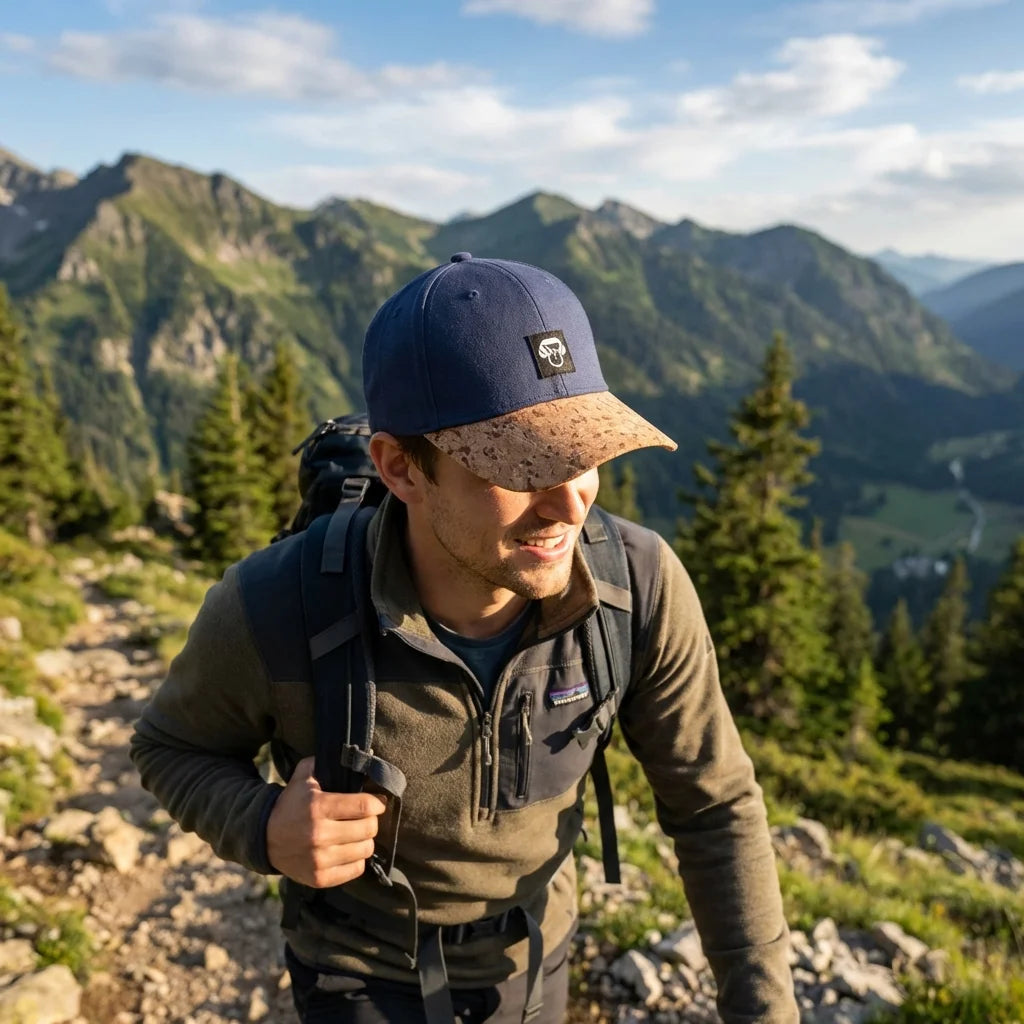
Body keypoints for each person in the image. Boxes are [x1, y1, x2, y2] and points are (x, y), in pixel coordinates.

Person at [131, 252, 798, 1024]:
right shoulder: (277, 603)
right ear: (400, 468)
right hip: (356, 968)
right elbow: (168, 746)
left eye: (586, 451)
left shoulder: (638, 585)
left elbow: (715, 807)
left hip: (535, 956)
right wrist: (261, 825)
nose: (569, 502)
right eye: (521, 466)